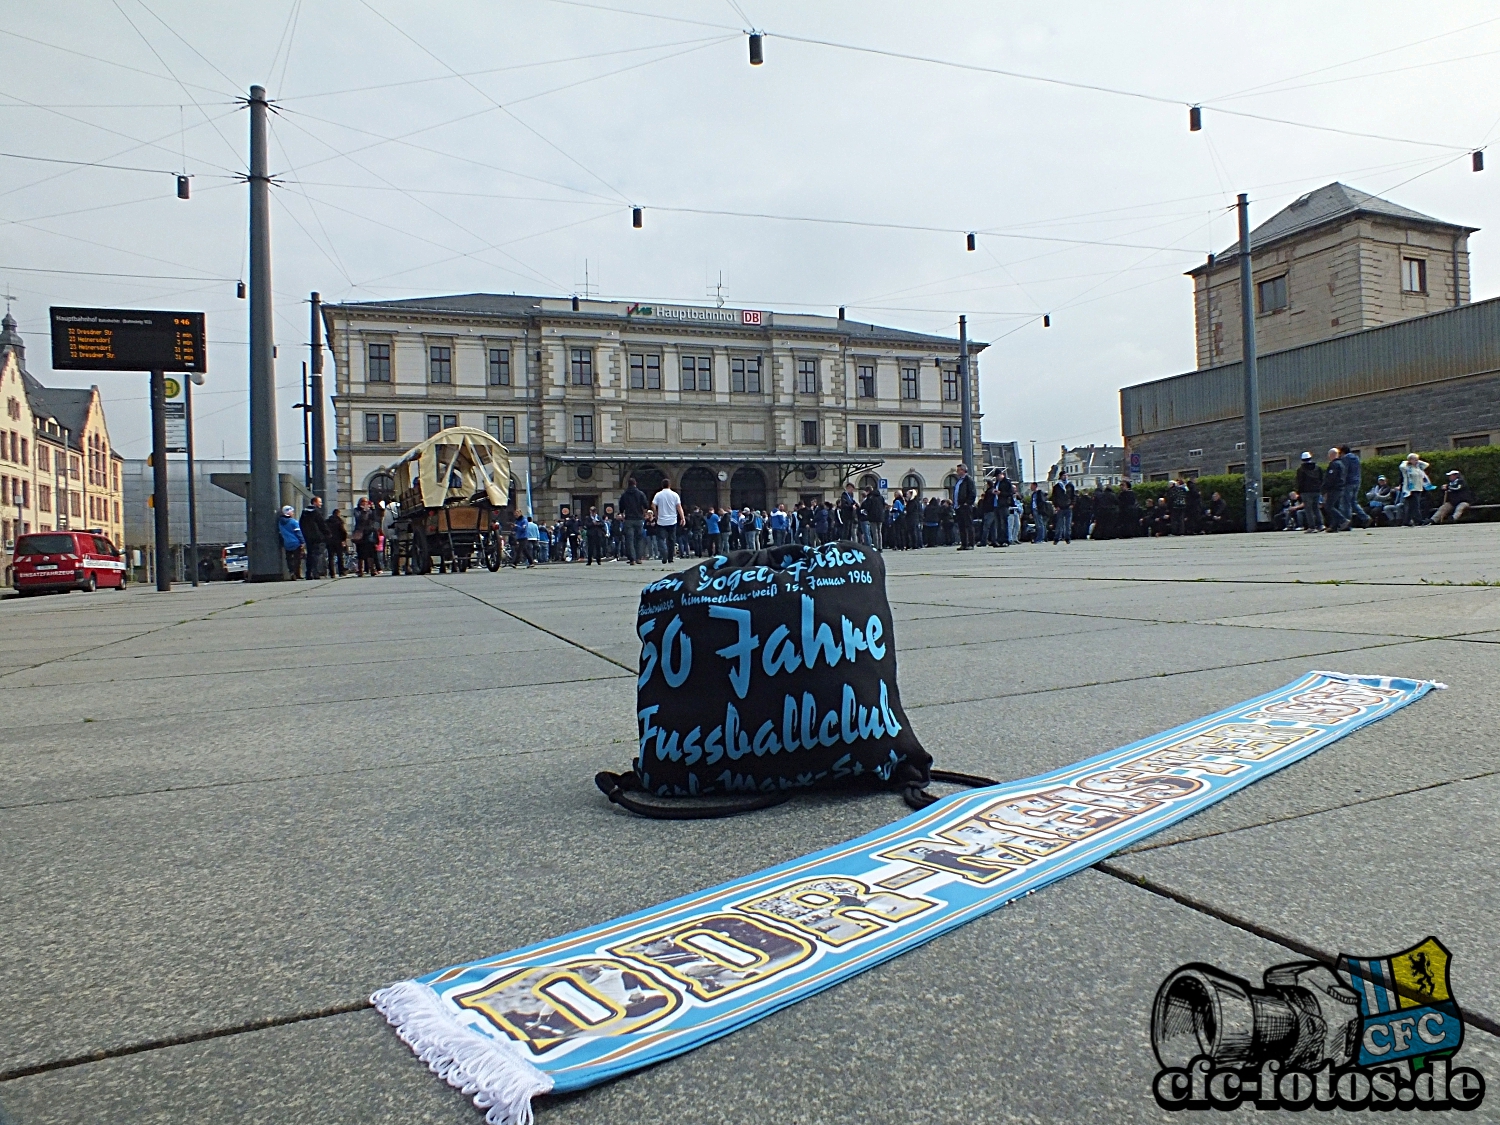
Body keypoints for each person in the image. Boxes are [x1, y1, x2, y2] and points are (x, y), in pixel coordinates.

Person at [651, 477, 682, 564]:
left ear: (662, 485)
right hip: (672, 520)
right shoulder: (675, 495)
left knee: (660, 539)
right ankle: (670, 558)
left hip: (661, 521)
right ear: (670, 485)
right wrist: (682, 518)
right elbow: (679, 507)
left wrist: (656, 514)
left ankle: (664, 553)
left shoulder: (658, 495)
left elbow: (653, 505)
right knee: (671, 540)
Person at [618, 477, 648, 565]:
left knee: (629, 540)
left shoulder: (624, 495)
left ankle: (632, 559)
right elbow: (645, 505)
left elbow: (621, 507)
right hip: (638, 519)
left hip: (628, 519)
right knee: (639, 539)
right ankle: (639, 558)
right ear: (635, 484)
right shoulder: (640, 493)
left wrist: (623, 514)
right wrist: (643, 513)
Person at [1339, 445, 1370, 528]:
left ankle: (1347, 523)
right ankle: (1365, 517)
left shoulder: (1345, 458)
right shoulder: (1356, 458)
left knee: (1346, 503)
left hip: (1348, 482)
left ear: (1342, 452)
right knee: (1353, 502)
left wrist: (1341, 482)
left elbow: (1344, 471)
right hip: (1357, 481)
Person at [1398, 454, 1432, 526]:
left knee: (1411, 507)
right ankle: (1419, 521)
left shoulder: (1418, 468)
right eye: (1415, 460)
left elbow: (1426, 465)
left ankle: (1406, 521)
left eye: (1417, 460)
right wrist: (1407, 461)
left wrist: (1417, 461)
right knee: (1416, 506)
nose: (1417, 461)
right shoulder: (1406, 468)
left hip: (1418, 488)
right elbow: (1401, 466)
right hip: (1410, 490)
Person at [299, 496, 328, 578]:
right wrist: (327, 533)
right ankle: (315, 572)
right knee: (316, 555)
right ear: (314, 503)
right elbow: (322, 524)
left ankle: (308, 572)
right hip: (317, 537)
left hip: (308, 537)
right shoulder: (317, 512)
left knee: (309, 554)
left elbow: (301, 524)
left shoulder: (304, 513)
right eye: (320, 502)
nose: (321, 504)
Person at [1295, 453, 1324, 532]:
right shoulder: (1318, 468)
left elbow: (1300, 482)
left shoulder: (1301, 470)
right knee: (1316, 508)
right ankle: (1320, 525)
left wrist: (1298, 492)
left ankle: (1312, 527)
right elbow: (1322, 479)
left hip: (1306, 492)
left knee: (1308, 510)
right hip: (1317, 491)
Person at [353, 498, 381, 576]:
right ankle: (361, 570)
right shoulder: (357, 510)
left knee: (371, 552)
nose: (366, 504)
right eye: (364, 502)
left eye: (366, 502)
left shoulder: (370, 511)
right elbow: (359, 519)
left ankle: (372, 569)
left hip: (369, 534)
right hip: (360, 534)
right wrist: (364, 511)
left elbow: (375, 520)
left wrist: (373, 509)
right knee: (361, 553)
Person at [952, 463, 977, 550]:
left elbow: (972, 492)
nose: (957, 472)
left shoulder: (968, 480)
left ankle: (971, 543)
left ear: (963, 470)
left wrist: (968, 502)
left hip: (965, 506)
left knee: (968, 525)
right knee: (961, 526)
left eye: (958, 470)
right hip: (958, 506)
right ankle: (964, 543)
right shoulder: (959, 481)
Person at [278, 504, 306, 578]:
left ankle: (291, 572)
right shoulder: (293, 522)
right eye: (292, 511)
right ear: (288, 512)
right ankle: (297, 573)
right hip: (296, 542)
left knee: (289, 559)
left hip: (287, 543)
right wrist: (302, 542)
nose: (293, 513)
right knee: (297, 559)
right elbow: (298, 533)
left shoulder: (280, 523)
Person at [325, 507, 348, 576]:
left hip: (329, 541)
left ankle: (332, 572)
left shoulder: (327, 521)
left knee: (330, 557)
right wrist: (343, 539)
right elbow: (343, 532)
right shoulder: (339, 522)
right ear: (338, 514)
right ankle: (341, 571)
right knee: (340, 557)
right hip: (338, 541)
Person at [1049, 477, 1072, 544]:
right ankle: (1057, 538)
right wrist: (1056, 506)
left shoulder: (1070, 485)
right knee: (1059, 523)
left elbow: (1073, 495)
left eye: (1066, 475)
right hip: (1060, 507)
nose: (1065, 477)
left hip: (1068, 507)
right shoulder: (1057, 486)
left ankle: (1067, 537)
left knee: (1068, 524)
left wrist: (1072, 503)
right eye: (1064, 475)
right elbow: (1054, 497)